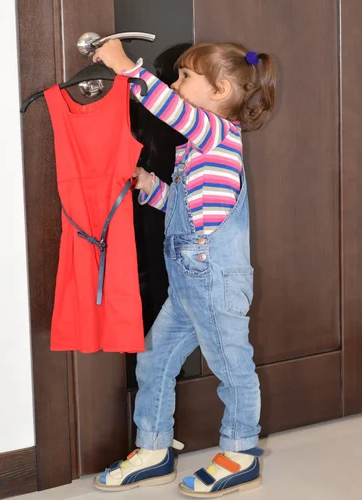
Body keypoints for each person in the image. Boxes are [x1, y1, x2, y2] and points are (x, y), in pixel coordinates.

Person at [92, 39, 276, 497]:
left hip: (214, 281)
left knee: (231, 366)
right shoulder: (197, 150)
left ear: (220, 90)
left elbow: (171, 109)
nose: (176, 86)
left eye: (185, 77)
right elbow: (183, 206)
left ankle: (240, 452)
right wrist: (149, 184)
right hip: (187, 283)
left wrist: (123, 67)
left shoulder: (215, 132)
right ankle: (154, 449)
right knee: (154, 359)